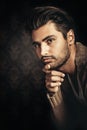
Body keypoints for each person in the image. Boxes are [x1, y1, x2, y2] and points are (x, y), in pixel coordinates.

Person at [26, 6, 87, 130]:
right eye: (37, 45)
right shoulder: (56, 73)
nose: (42, 52)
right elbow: (66, 125)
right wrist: (54, 94)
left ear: (70, 38)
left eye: (49, 40)